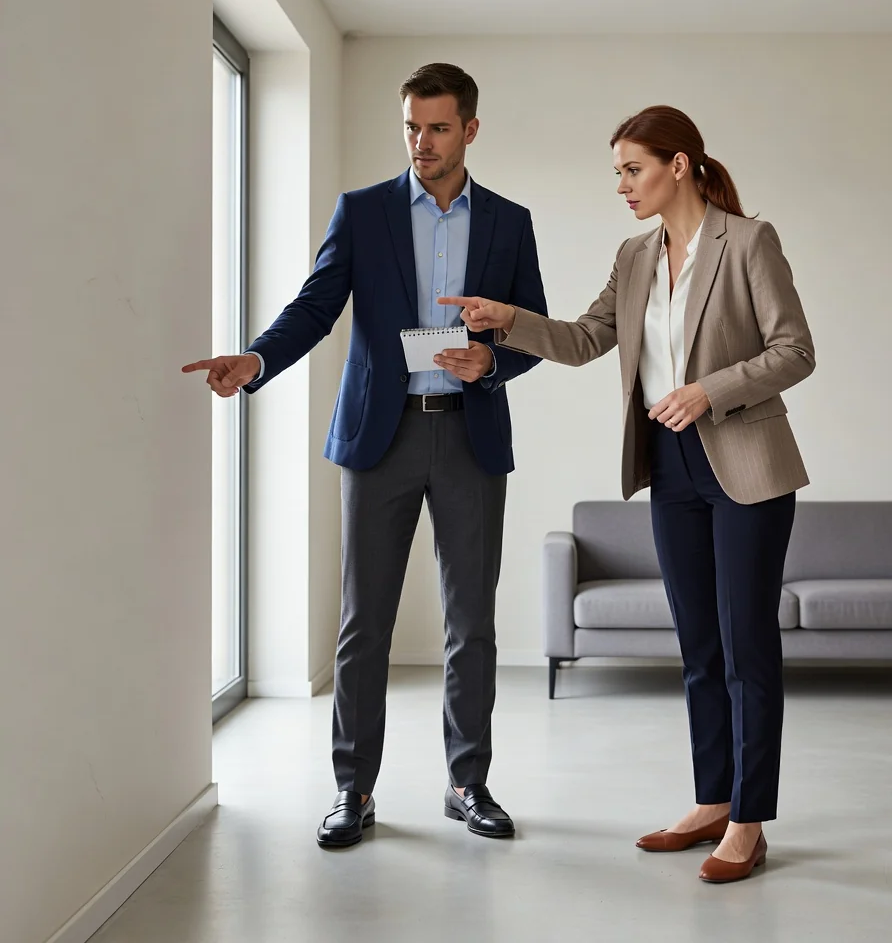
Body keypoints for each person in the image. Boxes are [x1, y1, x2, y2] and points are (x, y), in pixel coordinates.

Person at [438, 105, 814, 884]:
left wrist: (710, 390)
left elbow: (794, 350)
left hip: (744, 463)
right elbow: (584, 340)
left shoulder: (748, 242)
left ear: (679, 165)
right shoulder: (635, 256)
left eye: (632, 169)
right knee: (700, 648)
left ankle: (750, 820)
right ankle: (713, 800)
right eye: (617, 172)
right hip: (669, 469)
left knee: (748, 647)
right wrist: (507, 321)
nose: (622, 186)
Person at [184, 63, 548, 848]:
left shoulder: (509, 223)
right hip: (379, 439)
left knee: (471, 624)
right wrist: (255, 361)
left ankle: (467, 782)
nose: (422, 142)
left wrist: (492, 362)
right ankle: (353, 789)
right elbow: (318, 304)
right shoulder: (365, 212)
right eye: (412, 126)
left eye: (439, 127)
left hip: (470, 435)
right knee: (363, 624)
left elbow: (534, 330)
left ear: (471, 130)